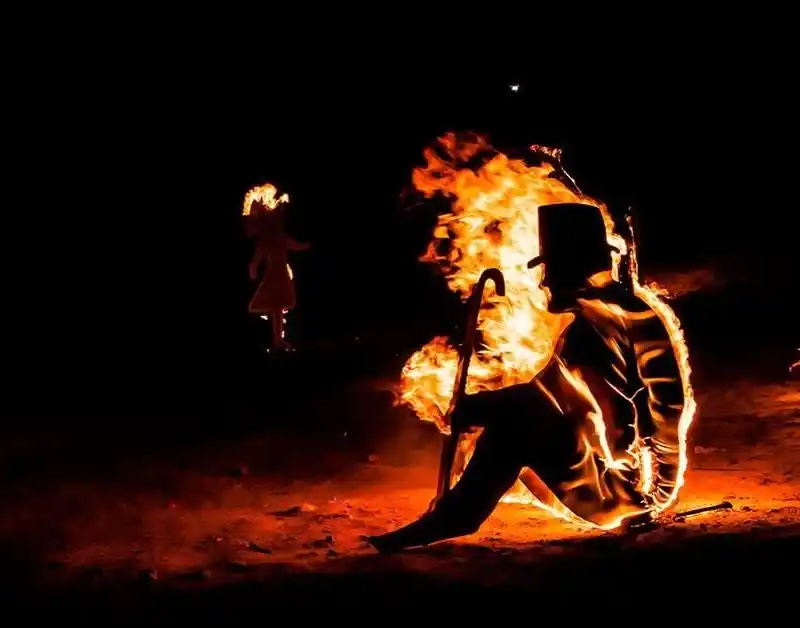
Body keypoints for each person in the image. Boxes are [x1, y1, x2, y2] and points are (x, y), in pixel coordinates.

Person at [369, 202, 686, 553]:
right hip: (611, 483)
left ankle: (455, 517)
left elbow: (667, 404)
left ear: (573, 265)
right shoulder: (600, 320)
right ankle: (453, 514)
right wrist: (480, 408)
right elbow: (549, 396)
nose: (544, 281)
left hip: (621, 492)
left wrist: (656, 494)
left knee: (518, 419)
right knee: (516, 420)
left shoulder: (615, 323)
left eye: (550, 268)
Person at [245, 197, 309, 351]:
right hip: (275, 275)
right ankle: (277, 338)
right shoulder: (272, 238)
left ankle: (278, 340)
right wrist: (252, 270)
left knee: (277, 307)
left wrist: (253, 271)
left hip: (277, 274)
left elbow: (256, 262)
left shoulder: (273, 238)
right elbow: (296, 246)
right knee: (273, 307)